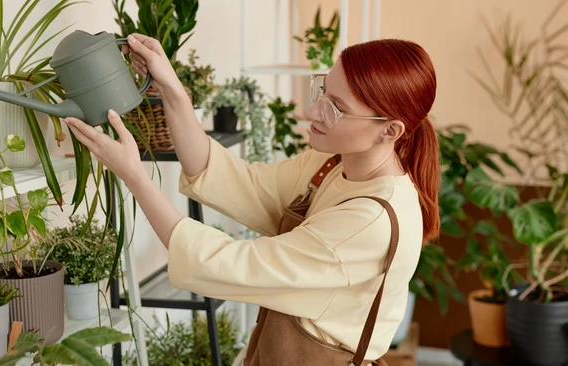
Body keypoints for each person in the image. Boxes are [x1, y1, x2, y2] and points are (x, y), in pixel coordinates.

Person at [63, 33, 440, 365]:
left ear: (389, 130)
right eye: (322, 90)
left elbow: (226, 264)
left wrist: (133, 174)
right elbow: (238, 183)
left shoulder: (369, 221)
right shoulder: (330, 164)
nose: (312, 111)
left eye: (335, 108)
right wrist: (172, 91)